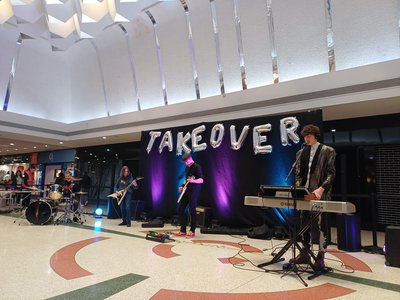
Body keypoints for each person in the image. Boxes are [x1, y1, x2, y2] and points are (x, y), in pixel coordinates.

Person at [290, 124, 336, 271]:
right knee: (304, 223)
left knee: (320, 224)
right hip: (306, 194)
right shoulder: (301, 152)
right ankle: (305, 252)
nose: (306, 138)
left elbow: (331, 173)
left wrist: (322, 189)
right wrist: (299, 188)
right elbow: (298, 174)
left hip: (320, 193)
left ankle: (321, 256)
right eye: (304, 136)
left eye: (308, 136)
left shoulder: (328, 151)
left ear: (315, 135)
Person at [175, 153, 204, 238]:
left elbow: (201, 180)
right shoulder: (187, 167)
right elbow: (186, 179)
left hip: (194, 191)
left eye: (186, 162)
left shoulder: (196, 167)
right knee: (180, 208)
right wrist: (182, 186)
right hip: (186, 190)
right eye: (185, 162)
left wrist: (193, 181)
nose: (186, 163)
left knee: (192, 210)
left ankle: (192, 230)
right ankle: (183, 230)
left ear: (190, 158)